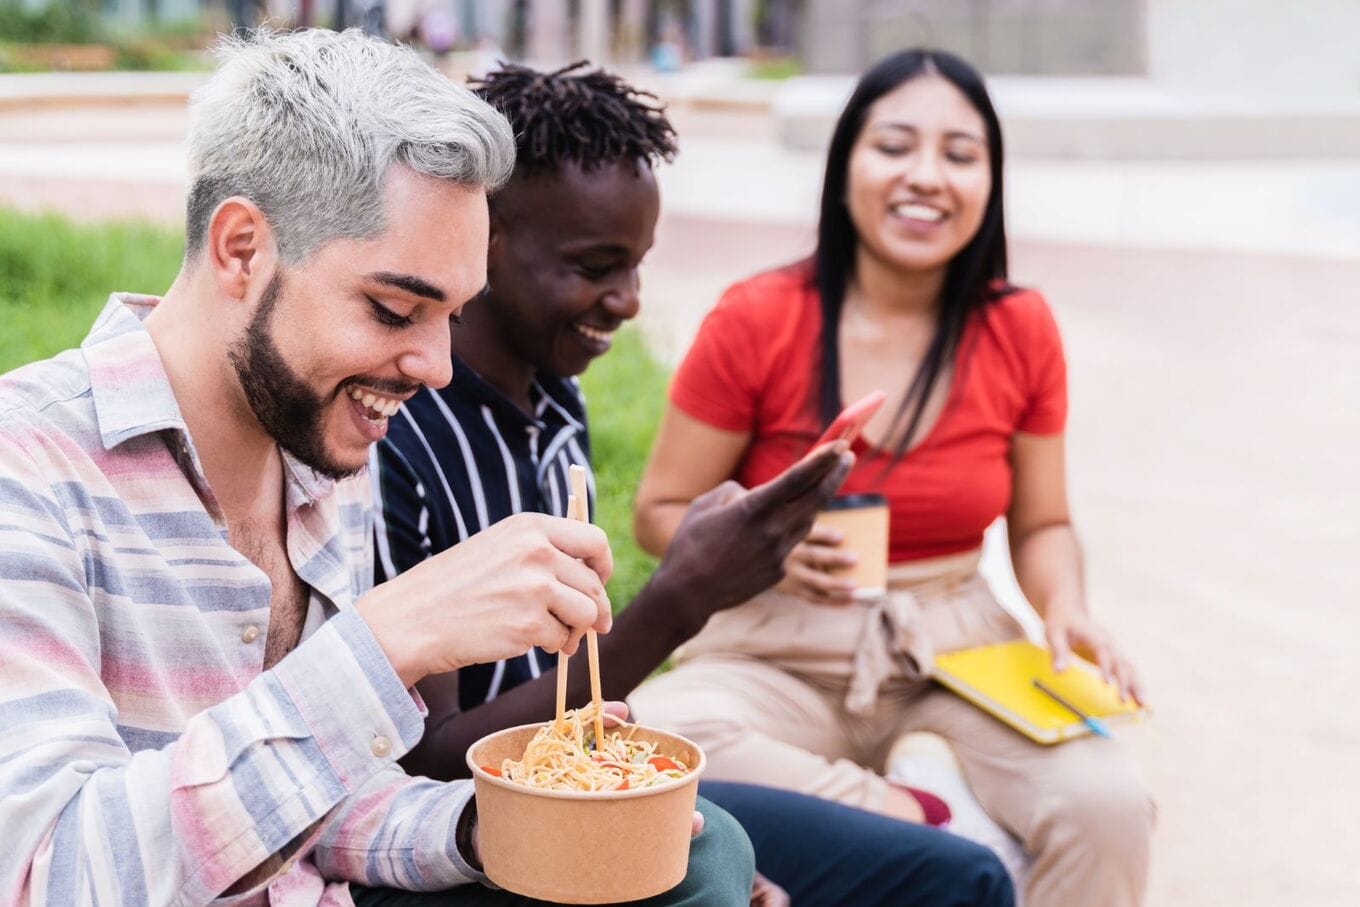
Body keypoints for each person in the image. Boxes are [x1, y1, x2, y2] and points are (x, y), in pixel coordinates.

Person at [0, 29, 753, 906]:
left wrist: (485, 822)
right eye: (395, 308)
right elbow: (49, 872)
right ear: (241, 249)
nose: (436, 365)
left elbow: (316, 800)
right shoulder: (30, 465)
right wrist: (386, 640)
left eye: (453, 315)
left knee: (695, 852)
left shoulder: (325, 448)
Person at [370, 61, 1015, 907]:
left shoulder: (555, 398)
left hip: (589, 789)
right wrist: (679, 599)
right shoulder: (399, 433)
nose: (629, 300)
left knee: (963, 878)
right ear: (482, 241)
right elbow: (433, 759)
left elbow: (575, 690)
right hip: (470, 836)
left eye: (637, 265)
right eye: (597, 266)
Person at [628, 48, 1157, 906]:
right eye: (895, 146)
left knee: (1108, 805)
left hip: (957, 640)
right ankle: (914, 823)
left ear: (991, 180)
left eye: (960, 153)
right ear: (845, 169)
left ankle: (925, 821)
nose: (926, 176)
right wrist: (768, 552)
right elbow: (659, 510)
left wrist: (1067, 608)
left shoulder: (1020, 326)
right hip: (774, 635)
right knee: (657, 738)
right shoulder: (756, 316)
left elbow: (1043, 523)